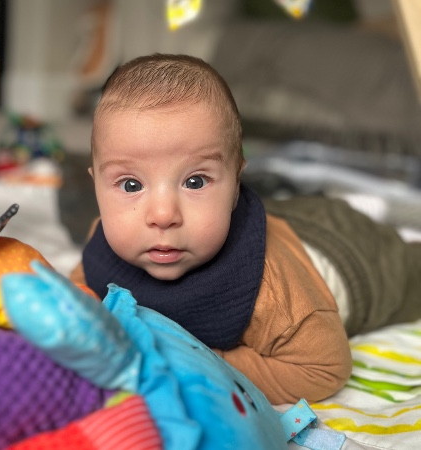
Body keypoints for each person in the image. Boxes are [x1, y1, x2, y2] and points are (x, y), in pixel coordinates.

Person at [69, 53, 421, 405]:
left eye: (195, 181)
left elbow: (325, 369)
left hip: (353, 255)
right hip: (291, 217)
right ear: (96, 184)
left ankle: (376, 216)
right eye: (131, 185)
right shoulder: (102, 250)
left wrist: (207, 361)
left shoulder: (269, 290)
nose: (163, 215)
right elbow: (72, 299)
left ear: (236, 183)